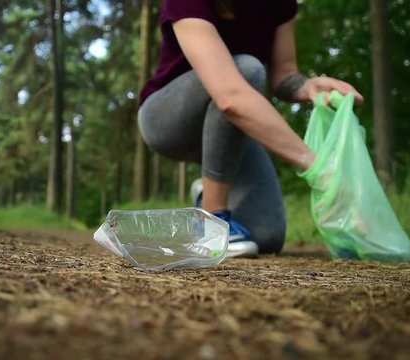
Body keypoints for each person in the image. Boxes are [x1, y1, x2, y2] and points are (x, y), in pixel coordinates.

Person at [138, 0, 364, 257]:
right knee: (247, 68)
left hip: (230, 129)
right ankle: (211, 219)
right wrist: (316, 166)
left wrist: (307, 86)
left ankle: (205, 193)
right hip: (166, 120)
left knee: (265, 236)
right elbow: (230, 95)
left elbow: (285, 76)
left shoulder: (282, 5)